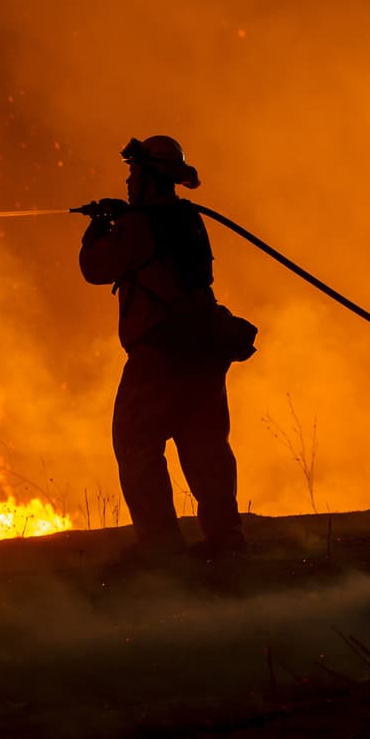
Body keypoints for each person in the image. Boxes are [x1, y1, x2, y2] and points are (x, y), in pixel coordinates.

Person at [79, 135, 248, 562]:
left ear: (152, 177)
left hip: (159, 354)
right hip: (202, 350)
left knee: (136, 443)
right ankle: (226, 541)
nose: (129, 181)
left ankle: (161, 547)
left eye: (134, 173)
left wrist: (98, 228)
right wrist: (125, 219)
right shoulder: (188, 219)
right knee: (205, 444)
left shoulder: (138, 225)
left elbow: (96, 268)